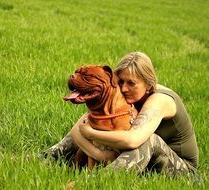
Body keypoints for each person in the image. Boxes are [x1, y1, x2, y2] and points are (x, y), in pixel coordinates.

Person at [43, 51, 198, 176]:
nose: (124, 88)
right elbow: (78, 128)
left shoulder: (160, 100)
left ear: (149, 85)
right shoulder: (124, 97)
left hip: (180, 168)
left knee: (149, 140)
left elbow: (132, 141)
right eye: (121, 81)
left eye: (131, 83)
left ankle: (93, 183)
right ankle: (45, 158)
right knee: (98, 122)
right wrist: (100, 154)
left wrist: (91, 134)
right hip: (143, 163)